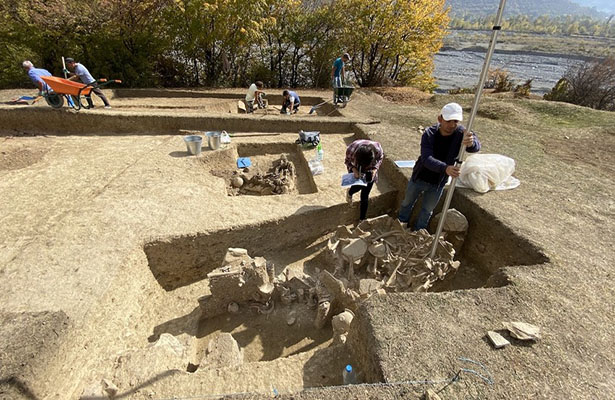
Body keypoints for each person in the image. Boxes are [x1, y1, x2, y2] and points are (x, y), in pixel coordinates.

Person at [397, 103, 481, 231]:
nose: (452, 125)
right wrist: (445, 168)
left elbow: (474, 147)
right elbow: (426, 158)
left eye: (455, 121)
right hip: (420, 177)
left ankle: (419, 233)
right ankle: (401, 225)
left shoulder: (460, 133)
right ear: (440, 119)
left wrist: (471, 142)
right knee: (407, 203)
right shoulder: (429, 134)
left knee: (427, 210)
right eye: (448, 121)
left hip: (438, 183)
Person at [345, 139, 384, 220]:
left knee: (365, 194)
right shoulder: (351, 149)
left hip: (370, 170)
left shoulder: (378, 150)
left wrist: (374, 169)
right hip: (355, 168)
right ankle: (350, 192)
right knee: (358, 186)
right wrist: (354, 169)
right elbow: (347, 161)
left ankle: (362, 220)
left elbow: (380, 159)